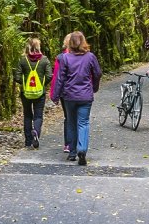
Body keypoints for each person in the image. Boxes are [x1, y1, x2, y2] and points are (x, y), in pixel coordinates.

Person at [50, 30, 102, 166]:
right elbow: (98, 73)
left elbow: (60, 79)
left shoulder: (65, 58)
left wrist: (55, 95)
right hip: (85, 95)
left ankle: (72, 153)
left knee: (71, 122)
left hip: (69, 96)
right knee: (83, 123)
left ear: (70, 43)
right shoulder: (90, 57)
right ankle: (82, 150)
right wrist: (94, 87)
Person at [13, 36, 52, 149]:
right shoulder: (44, 60)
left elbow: (17, 76)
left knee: (27, 115)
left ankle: (28, 141)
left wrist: (24, 84)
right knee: (38, 115)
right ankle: (36, 132)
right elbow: (49, 75)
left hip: (26, 93)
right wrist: (42, 84)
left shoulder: (23, 60)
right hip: (40, 93)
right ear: (39, 47)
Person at [50, 33, 72, 152]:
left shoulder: (61, 57)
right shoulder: (84, 56)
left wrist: (55, 95)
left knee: (68, 117)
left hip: (65, 92)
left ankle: (68, 144)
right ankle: (76, 143)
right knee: (79, 118)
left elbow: (57, 77)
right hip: (80, 92)